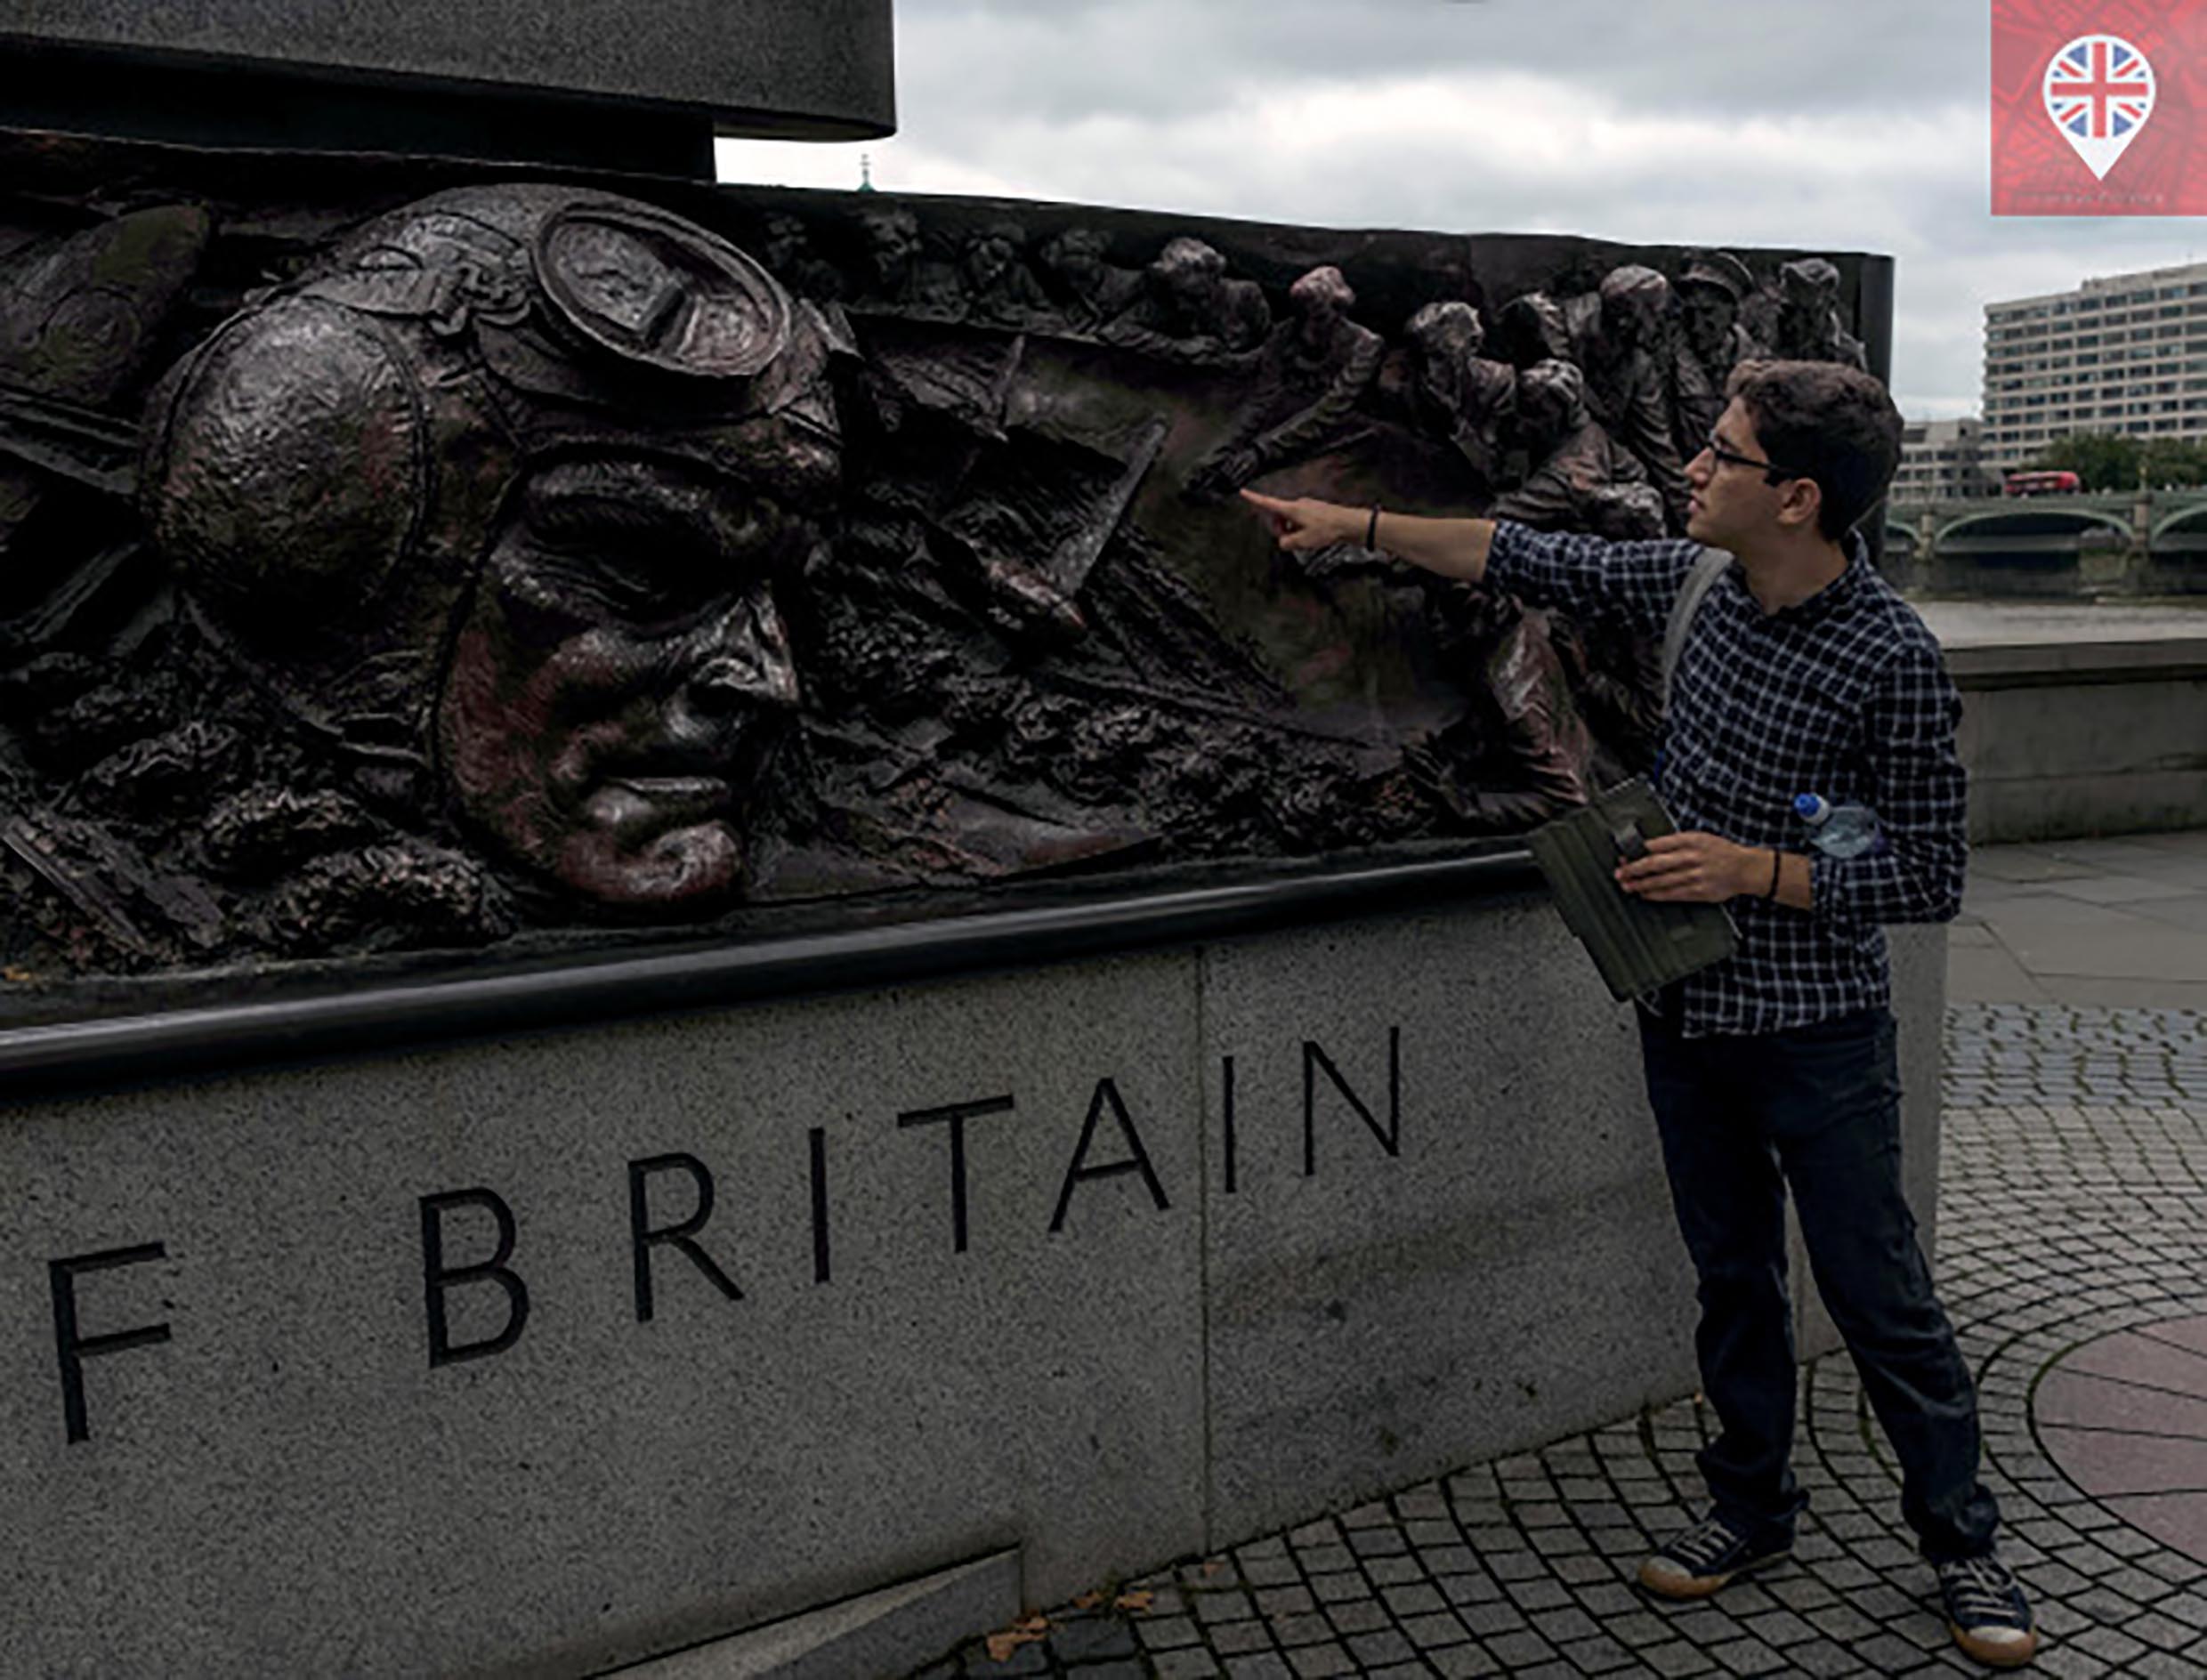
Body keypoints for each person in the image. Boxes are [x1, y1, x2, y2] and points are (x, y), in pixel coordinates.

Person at [1241, 359, 2037, 1671]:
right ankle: (1750, 1512)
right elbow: (1520, 555)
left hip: (1820, 1035)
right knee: (1732, 1283)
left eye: (1720, 456)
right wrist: (1359, 528)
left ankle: (1963, 1543)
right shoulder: (1697, 587)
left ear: (1795, 498)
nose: (1692, 468)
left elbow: (1927, 870)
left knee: (1879, 1297)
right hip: (1684, 1007)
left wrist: (1755, 869)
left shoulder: (1892, 656)